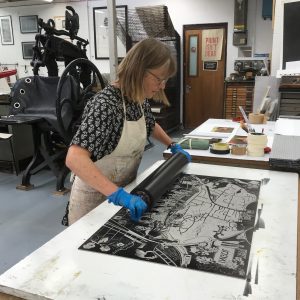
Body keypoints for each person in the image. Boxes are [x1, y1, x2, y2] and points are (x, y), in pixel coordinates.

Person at [65, 38, 191, 225]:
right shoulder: (106, 104)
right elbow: (74, 158)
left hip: (124, 194)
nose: (162, 86)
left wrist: (172, 145)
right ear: (140, 71)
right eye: (159, 79)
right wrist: (118, 195)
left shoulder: (137, 99)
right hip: (93, 202)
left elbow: (150, 124)